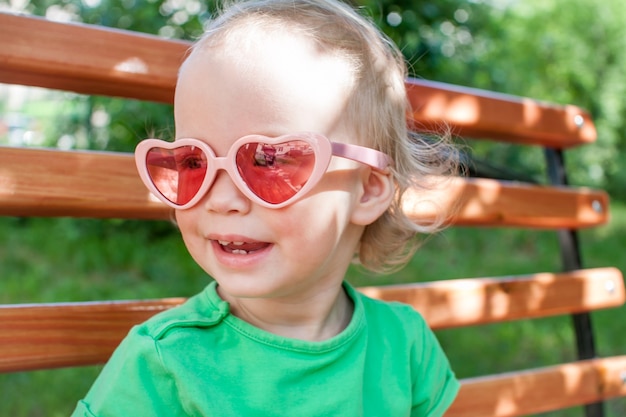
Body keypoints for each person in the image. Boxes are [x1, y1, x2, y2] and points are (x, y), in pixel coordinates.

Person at [72, 0, 460, 415]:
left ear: (366, 190)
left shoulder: (403, 345)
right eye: (193, 163)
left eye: (268, 161)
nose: (220, 199)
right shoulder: (164, 365)